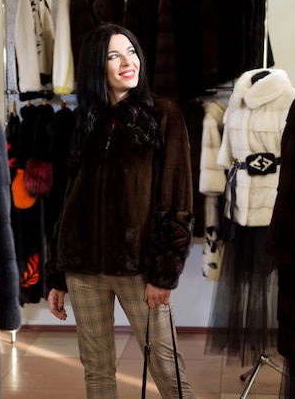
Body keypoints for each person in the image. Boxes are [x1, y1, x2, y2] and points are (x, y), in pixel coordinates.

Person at [46, 23, 197, 398]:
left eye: (131, 51)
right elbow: (70, 199)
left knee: (166, 367)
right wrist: (56, 274)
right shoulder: (86, 120)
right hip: (83, 270)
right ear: (97, 66)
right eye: (114, 55)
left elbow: (177, 201)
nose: (127, 61)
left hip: (139, 269)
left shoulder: (164, 115)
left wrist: (164, 273)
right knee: (96, 371)